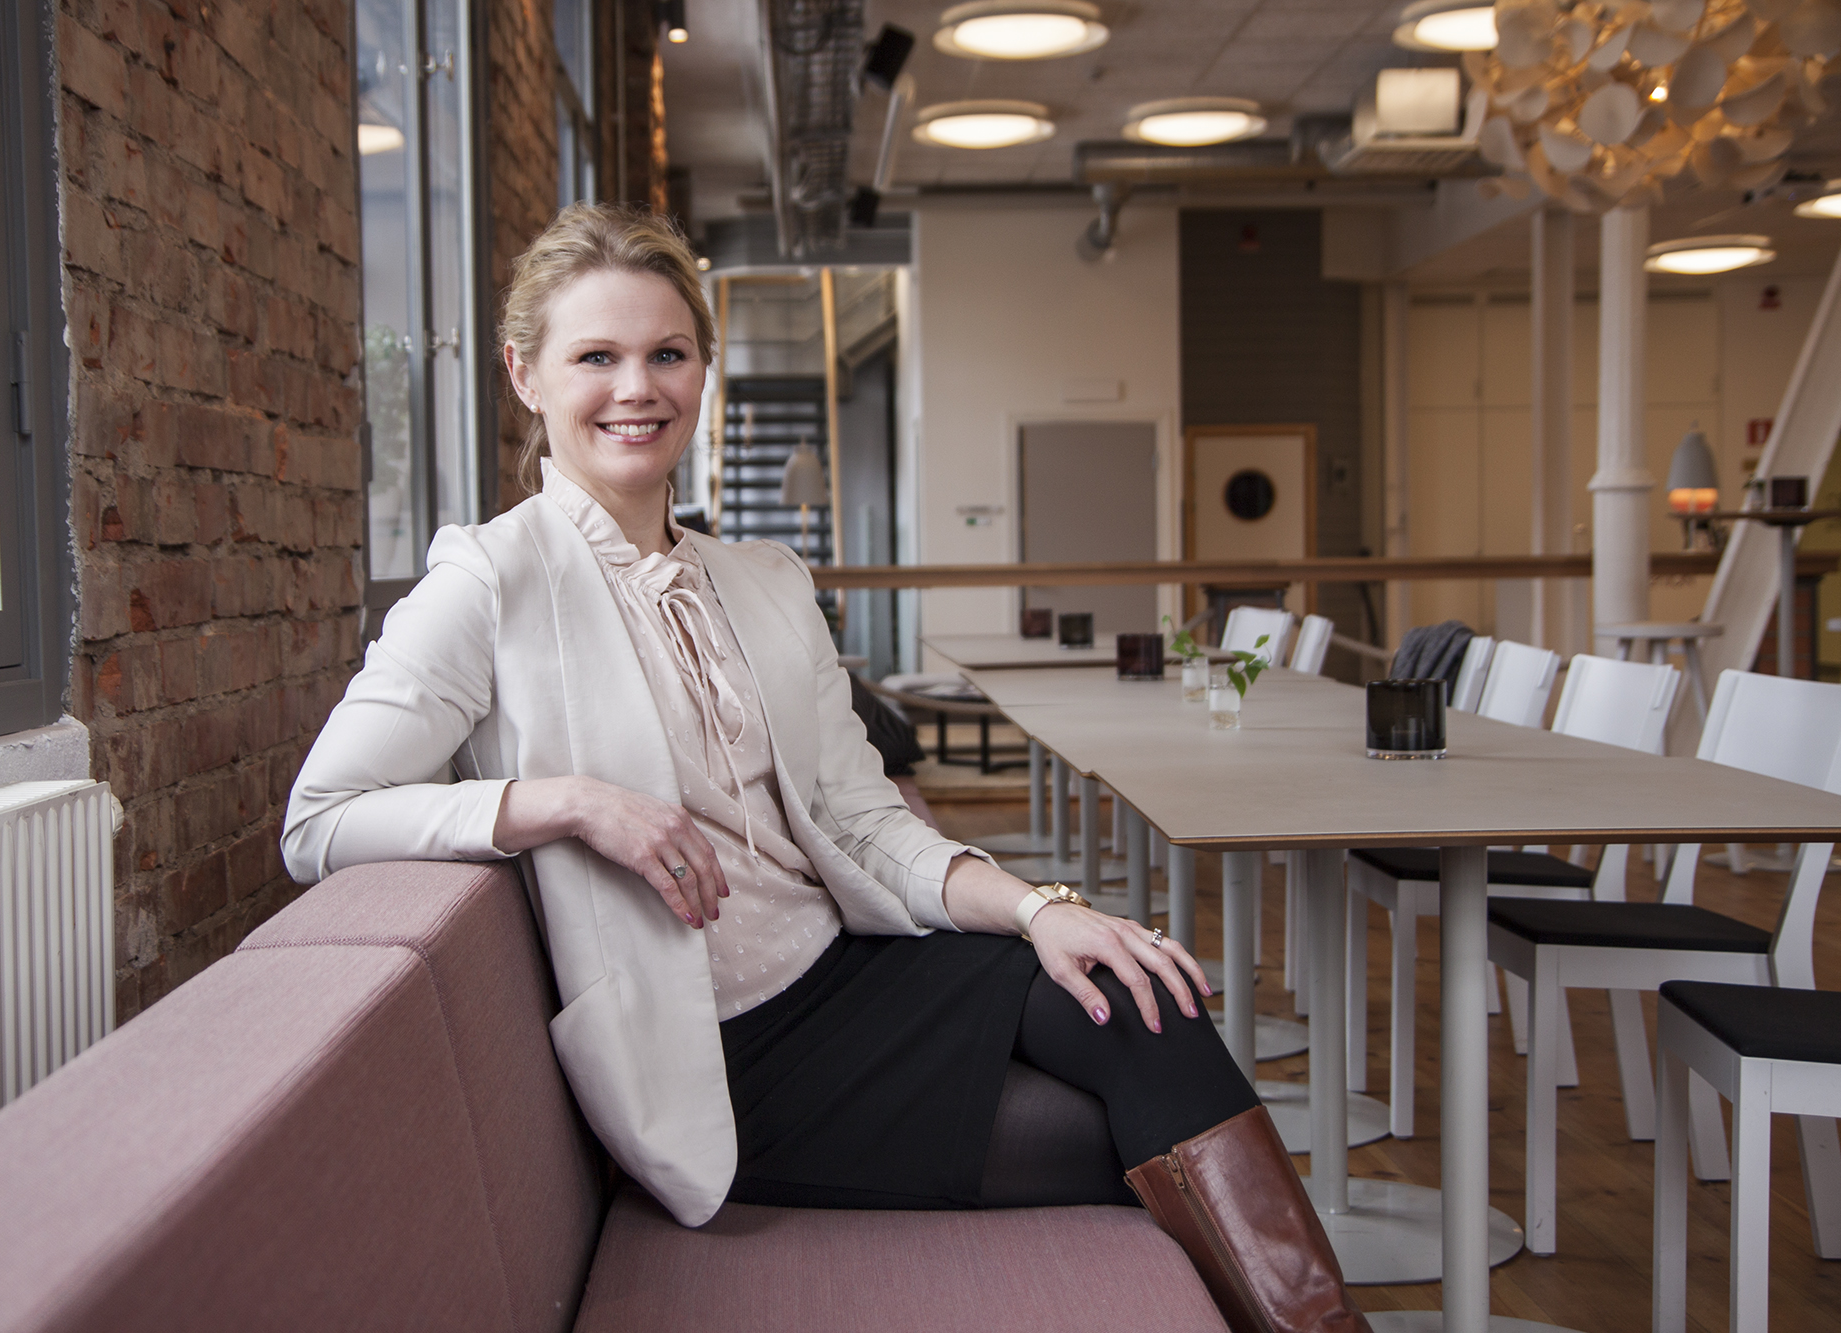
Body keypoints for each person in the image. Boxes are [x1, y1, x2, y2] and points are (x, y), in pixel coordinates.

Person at [283, 202, 1367, 1333]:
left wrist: (1038, 909)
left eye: (666, 354)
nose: (636, 388)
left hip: (850, 965)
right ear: (524, 374)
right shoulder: (488, 581)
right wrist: (567, 803)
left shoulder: (761, 580)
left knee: (1148, 999)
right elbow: (319, 817)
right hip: (724, 1053)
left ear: (702, 370)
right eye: (595, 357)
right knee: (1128, 1141)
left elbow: (861, 817)